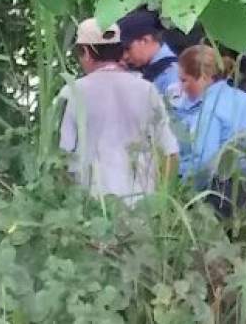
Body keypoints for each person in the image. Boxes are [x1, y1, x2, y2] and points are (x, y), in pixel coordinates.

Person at [59, 18, 179, 206]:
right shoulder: (146, 90)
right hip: (141, 207)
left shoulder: (72, 92)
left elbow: (62, 157)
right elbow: (170, 152)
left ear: (87, 53)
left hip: (92, 207)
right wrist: (161, 202)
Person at [175, 45, 246, 217]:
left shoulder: (209, 108)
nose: (181, 88)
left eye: (184, 80)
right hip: (244, 188)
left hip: (213, 195)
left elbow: (204, 160)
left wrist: (177, 187)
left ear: (204, 77)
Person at [118, 9, 183, 111]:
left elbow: (183, 121)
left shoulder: (172, 75)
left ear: (145, 40)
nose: (124, 56)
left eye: (127, 48)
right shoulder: (149, 71)